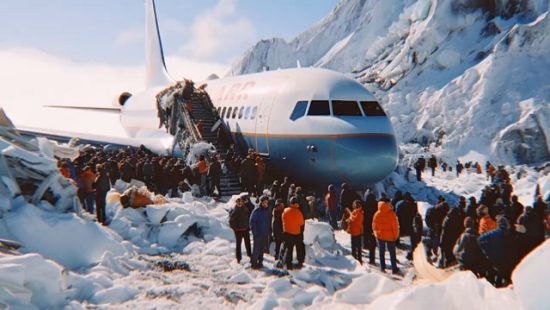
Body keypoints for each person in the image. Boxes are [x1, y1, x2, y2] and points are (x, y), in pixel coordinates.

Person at [478, 216, 520, 287]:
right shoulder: (509, 233)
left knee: (500, 273)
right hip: (506, 258)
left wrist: (488, 251)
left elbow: (480, 239)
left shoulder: (493, 233)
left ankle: (498, 287)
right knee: (504, 274)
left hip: (496, 257)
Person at [372, 199, 400, 274]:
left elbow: (374, 226)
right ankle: (394, 269)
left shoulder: (377, 214)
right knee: (392, 253)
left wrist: (376, 234)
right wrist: (396, 236)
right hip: (390, 237)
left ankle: (382, 268)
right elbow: (395, 227)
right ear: (387, 203)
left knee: (381, 252)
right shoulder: (391, 214)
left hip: (380, 236)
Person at [282, 197, 305, 270]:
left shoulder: (285, 211)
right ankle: (300, 262)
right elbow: (301, 223)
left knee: (289, 249)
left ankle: (287, 264)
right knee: (299, 248)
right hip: (296, 234)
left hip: (287, 233)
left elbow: (283, 220)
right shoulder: (299, 213)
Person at [250, 196, 272, 269]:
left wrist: (269, 230)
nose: (266, 204)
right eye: (264, 202)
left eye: (267, 202)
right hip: (258, 233)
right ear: (261, 202)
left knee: (262, 248)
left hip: (265, 233)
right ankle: (254, 263)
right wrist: (255, 232)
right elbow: (252, 222)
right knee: (256, 248)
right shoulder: (257, 210)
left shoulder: (267, 210)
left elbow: (268, 221)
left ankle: (260, 261)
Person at [229, 197, 252, 263]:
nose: (239, 203)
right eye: (238, 202)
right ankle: (238, 258)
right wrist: (234, 228)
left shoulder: (245, 208)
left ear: (242, 202)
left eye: (240, 201)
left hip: (245, 229)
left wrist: (248, 226)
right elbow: (231, 221)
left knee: (248, 243)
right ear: (236, 202)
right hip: (238, 231)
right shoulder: (234, 210)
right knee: (238, 245)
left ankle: (250, 255)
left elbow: (249, 217)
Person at [395, 192, 418, 260]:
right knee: (413, 238)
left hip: (401, 222)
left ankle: (397, 242)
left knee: (398, 232)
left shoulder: (399, 204)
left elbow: (397, 213)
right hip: (410, 223)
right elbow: (415, 213)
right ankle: (413, 251)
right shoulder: (413, 204)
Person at [346, 200, 364, 264]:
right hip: (355, 231)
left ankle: (358, 259)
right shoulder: (357, 212)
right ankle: (357, 259)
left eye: (354, 205)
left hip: (356, 232)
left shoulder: (358, 213)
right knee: (356, 247)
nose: (353, 206)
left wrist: (350, 216)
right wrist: (349, 220)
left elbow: (355, 221)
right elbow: (352, 219)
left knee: (356, 247)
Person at [363, 190, 378, 264]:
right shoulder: (376, 204)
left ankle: (371, 258)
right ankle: (372, 259)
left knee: (368, 241)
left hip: (367, 226)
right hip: (375, 226)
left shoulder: (365, 205)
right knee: (373, 242)